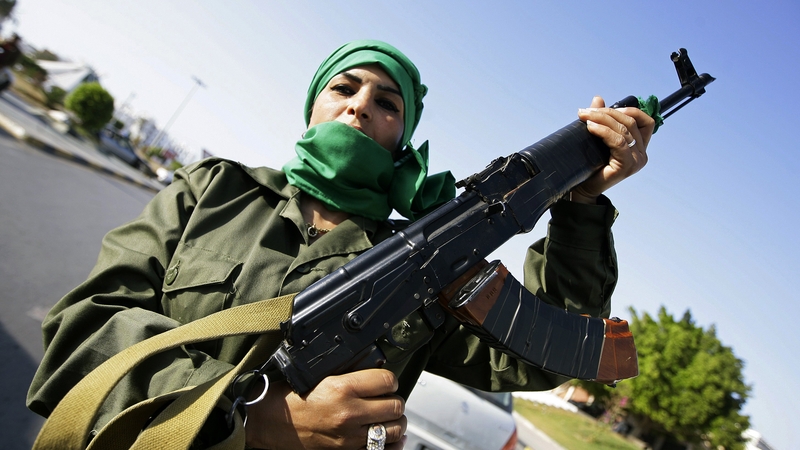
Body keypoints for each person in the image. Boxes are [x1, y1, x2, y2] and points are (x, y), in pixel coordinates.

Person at [27, 40, 654, 449]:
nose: (360, 108)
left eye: (386, 104)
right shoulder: (214, 191)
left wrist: (581, 203)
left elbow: (549, 353)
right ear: (314, 107)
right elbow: (81, 335)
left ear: (401, 138)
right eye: (345, 89)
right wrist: (248, 414)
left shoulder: (427, 263)